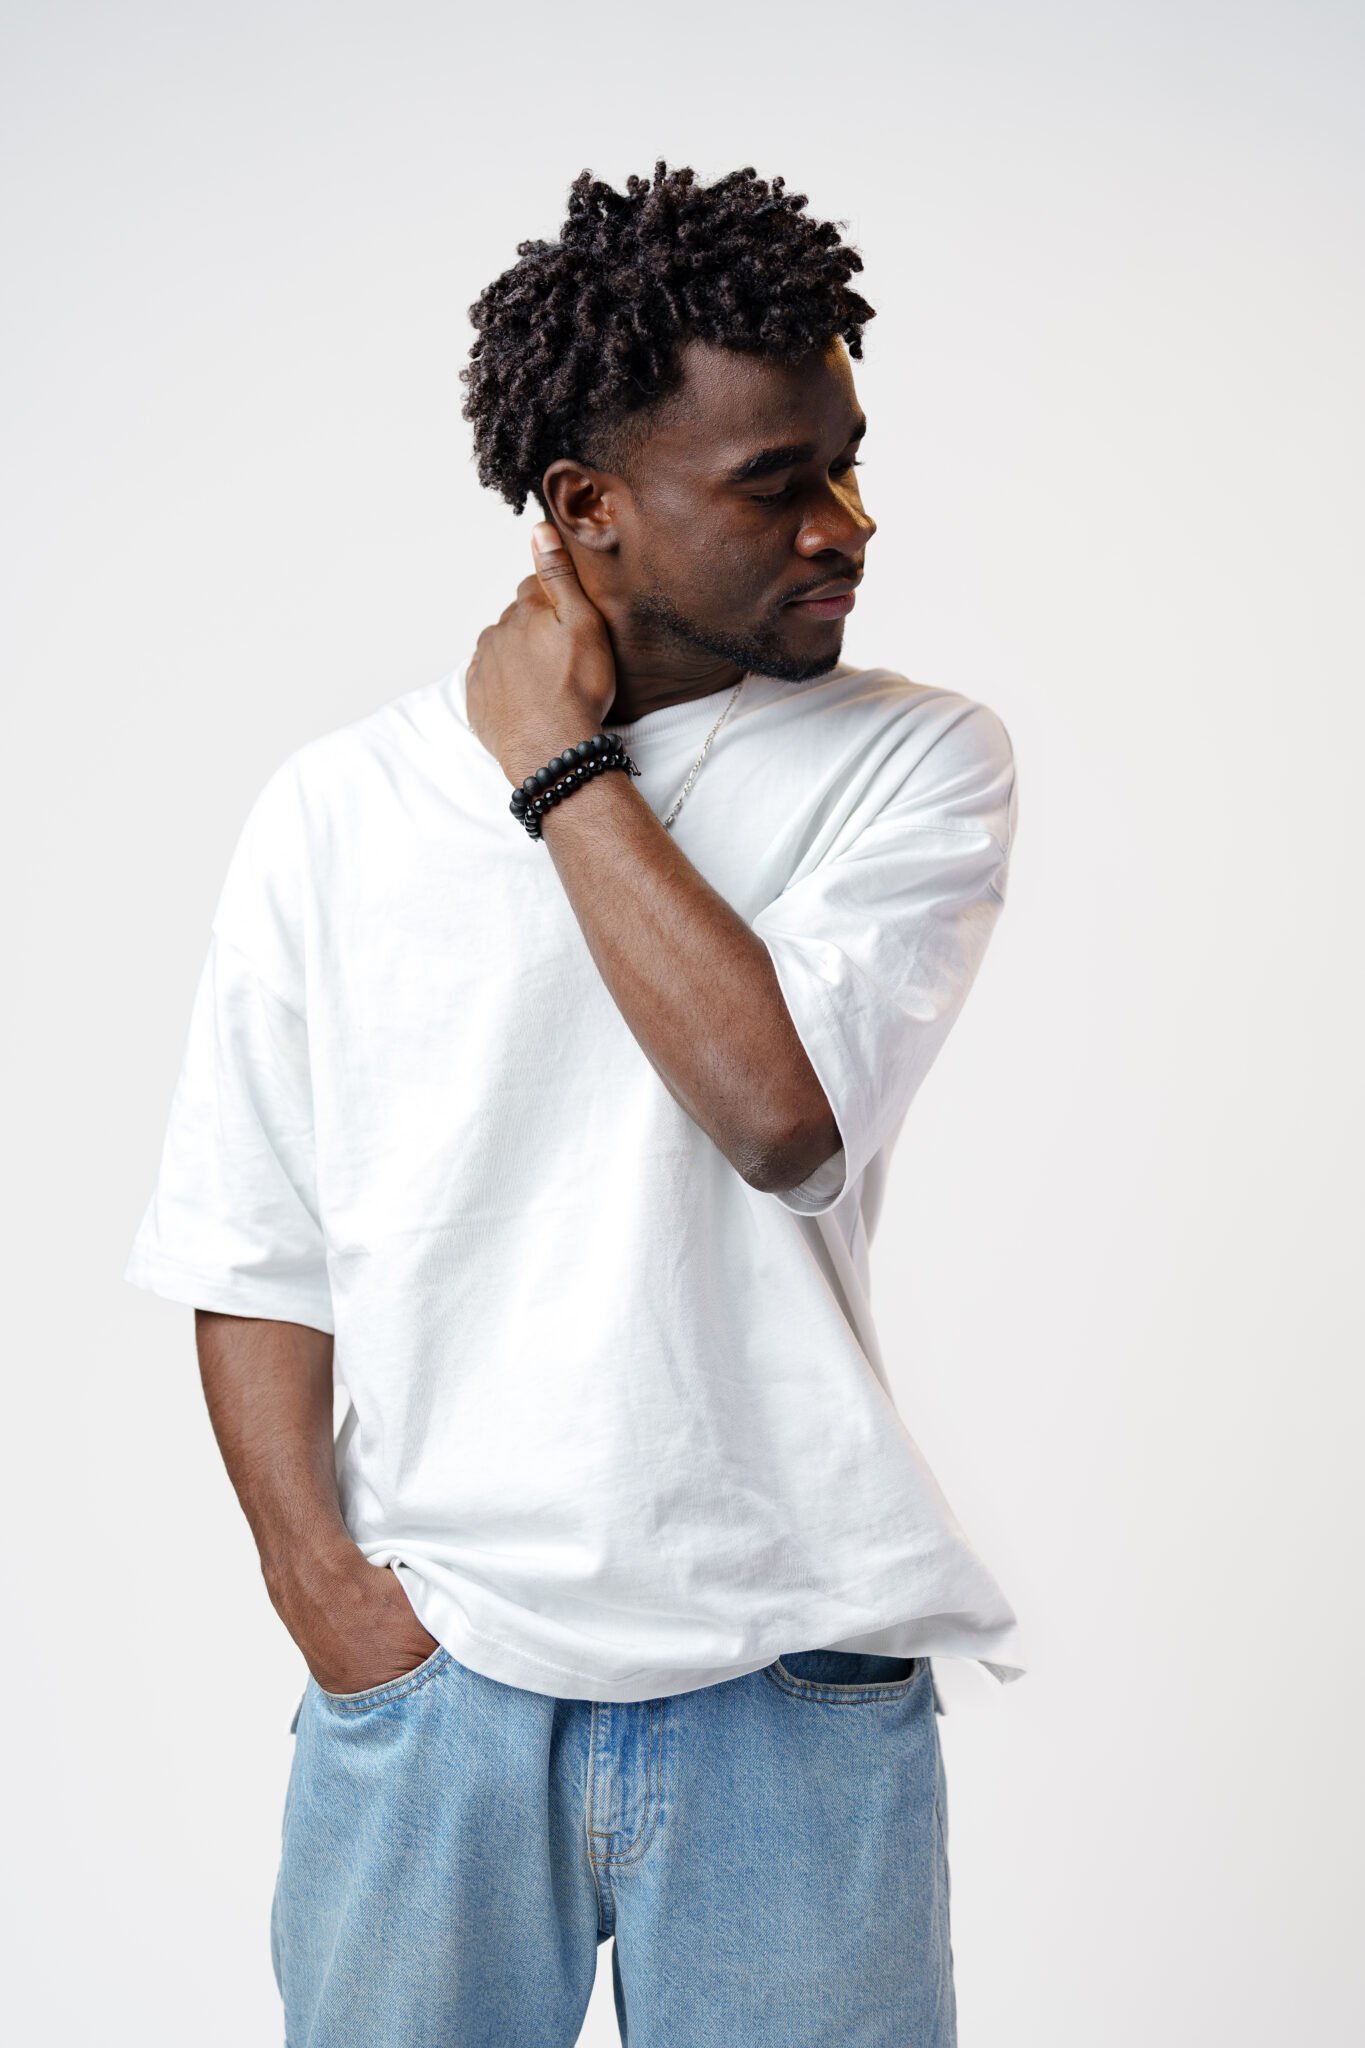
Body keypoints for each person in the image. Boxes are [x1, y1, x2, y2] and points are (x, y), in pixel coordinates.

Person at [125, 160, 1025, 2047]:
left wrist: (557, 763)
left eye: (846, 462)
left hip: (795, 1665)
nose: (841, 523)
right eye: (772, 483)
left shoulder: (913, 764)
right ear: (586, 507)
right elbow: (251, 1241)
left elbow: (777, 1115)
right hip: (440, 1691)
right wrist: (334, 1612)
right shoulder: (336, 810)